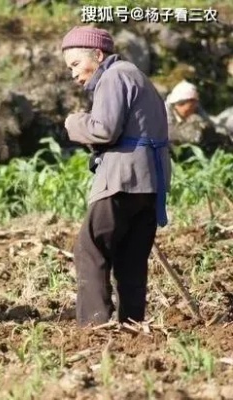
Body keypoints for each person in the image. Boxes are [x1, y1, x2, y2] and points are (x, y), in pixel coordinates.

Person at [61, 26, 172, 327]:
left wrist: (74, 122)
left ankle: (95, 325)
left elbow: (104, 130)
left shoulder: (113, 76)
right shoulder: (136, 75)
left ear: (97, 55)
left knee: (90, 248)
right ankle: (132, 323)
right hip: (150, 183)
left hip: (122, 179)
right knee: (131, 259)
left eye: (75, 65)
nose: (73, 74)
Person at [165, 80, 231, 152]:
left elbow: (208, 121)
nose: (192, 111)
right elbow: (168, 133)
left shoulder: (196, 108)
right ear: (179, 105)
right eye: (189, 109)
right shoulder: (164, 113)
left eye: (195, 106)